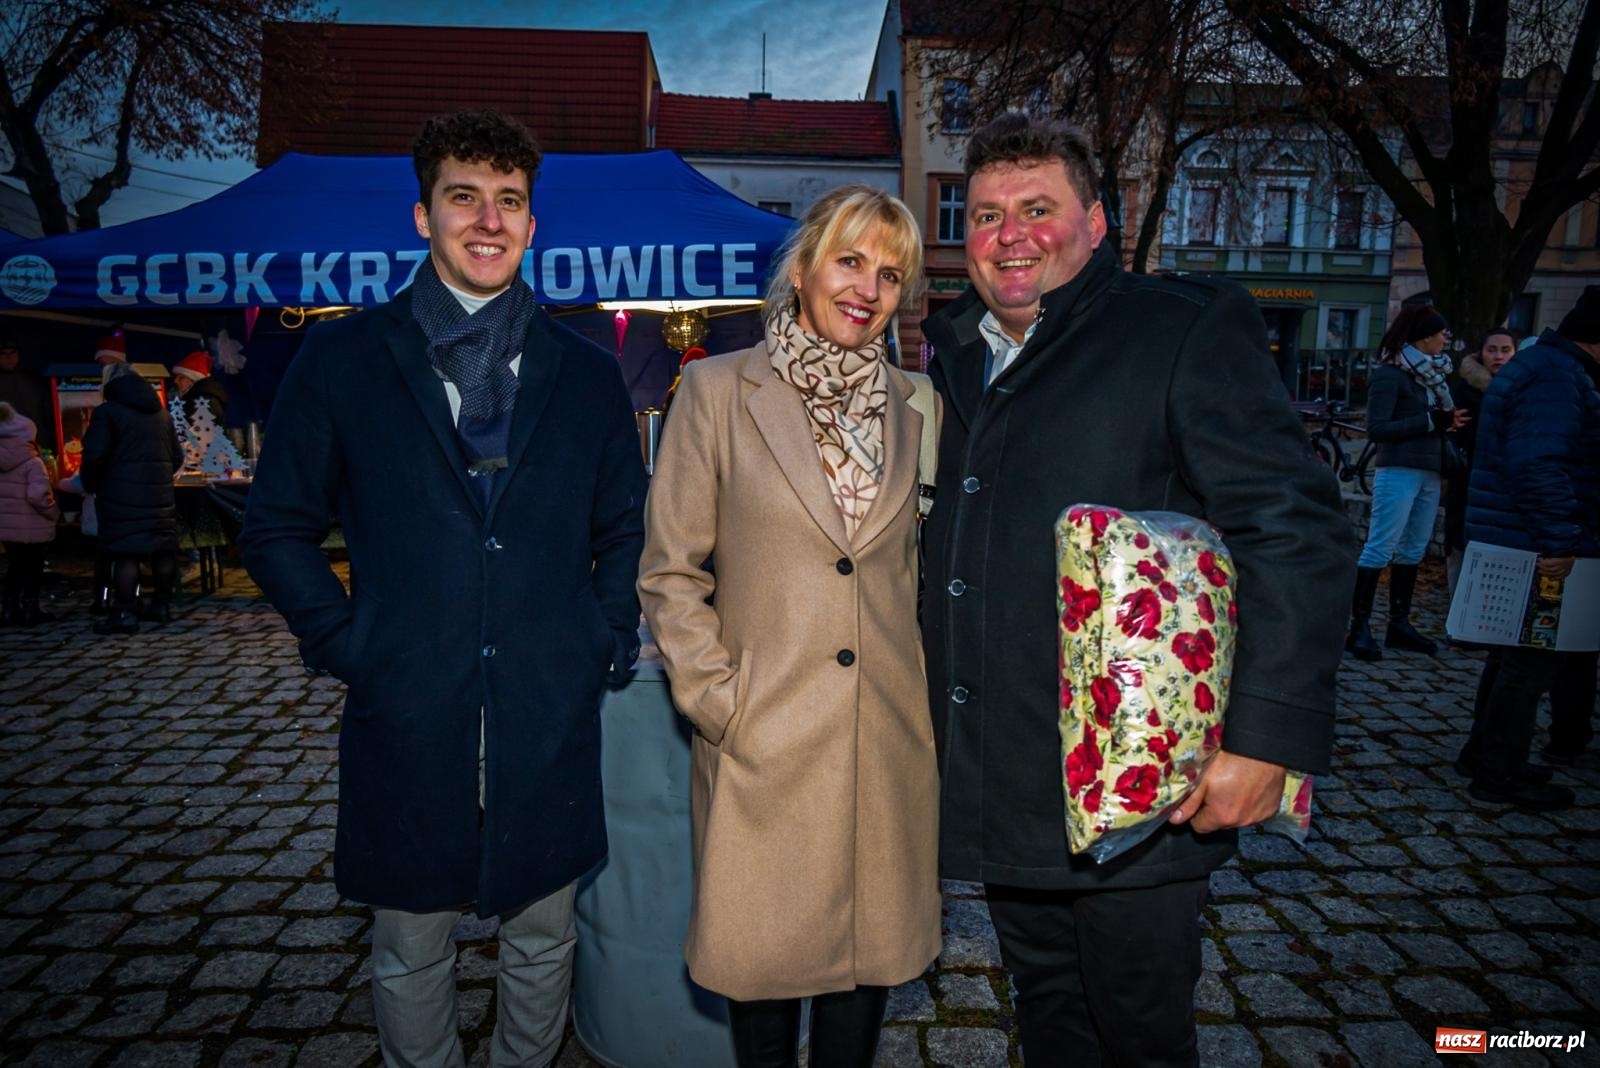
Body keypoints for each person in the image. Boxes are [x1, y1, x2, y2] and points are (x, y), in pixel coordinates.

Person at [918, 113, 1354, 1067]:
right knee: (1050, 1014)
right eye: (986, 214)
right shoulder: (956, 352)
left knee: (1140, 1031)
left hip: (1142, 789)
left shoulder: (1180, 329)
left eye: (1039, 208)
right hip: (1010, 770)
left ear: (1097, 222)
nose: (1010, 234)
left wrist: (1264, 741)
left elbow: (1294, 527)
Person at [240, 109, 646, 1068]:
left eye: (510, 201)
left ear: (533, 224)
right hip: (410, 701)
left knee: (545, 934)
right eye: (464, 197)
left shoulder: (585, 376)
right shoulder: (344, 360)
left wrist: (605, 632)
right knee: (410, 943)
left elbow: (625, 526)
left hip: (545, 702)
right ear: (424, 216)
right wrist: (349, 642)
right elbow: (276, 526)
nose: (489, 219)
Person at [638, 185, 940, 1068]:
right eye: (850, 261)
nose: (868, 288)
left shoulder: (919, 405)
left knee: (861, 990)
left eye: (891, 273)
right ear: (803, 268)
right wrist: (718, 701)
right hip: (763, 742)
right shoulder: (718, 389)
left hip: (882, 745)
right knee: (761, 991)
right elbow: (669, 568)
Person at [1456, 287, 1600, 810]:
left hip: (1519, 535)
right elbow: (1539, 464)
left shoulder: (1545, 367)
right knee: (1529, 662)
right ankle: (1497, 772)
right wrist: (1560, 539)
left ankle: (1486, 757)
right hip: (1534, 542)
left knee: (1514, 656)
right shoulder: (1556, 377)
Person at [1344, 304, 1469, 660]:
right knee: (1380, 546)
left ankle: (1399, 624)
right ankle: (1360, 628)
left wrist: (1445, 422)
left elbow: (1432, 421)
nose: (1446, 338)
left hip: (1430, 469)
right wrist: (1432, 421)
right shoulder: (1390, 374)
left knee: (1413, 548)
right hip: (1398, 469)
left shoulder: (1434, 374)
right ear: (1425, 336)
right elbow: (1377, 429)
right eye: (1442, 333)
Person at [78, 363, 182, 633]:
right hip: (159, 493)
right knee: (162, 548)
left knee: (125, 552)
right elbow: (177, 456)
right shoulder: (161, 415)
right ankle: (161, 606)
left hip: (120, 494)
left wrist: (91, 483)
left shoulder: (107, 413)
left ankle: (124, 612)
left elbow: (94, 455)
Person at [1443, 328, 1518, 595]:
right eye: (1492, 349)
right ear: (1481, 353)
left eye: (1505, 350)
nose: (1498, 356)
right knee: (1460, 543)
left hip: (1505, 483)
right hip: (1467, 478)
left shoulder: (1520, 389)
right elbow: (1458, 434)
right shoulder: (1464, 390)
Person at [0, 401, 59, 626]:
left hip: (6, 525)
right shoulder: (32, 461)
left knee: (15, 566)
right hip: (33, 524)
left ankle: (9, 608)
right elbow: (38, 495)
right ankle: (30, 609)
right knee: (33, 567)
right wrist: (53, 512)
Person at [0, 335, 53, 450]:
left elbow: (48, 414)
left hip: (38, 445)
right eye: (3, 353)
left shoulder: (34, 381)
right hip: (6, 448)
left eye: (12, 352)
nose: (8, 357)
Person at [171, 349, 230, 429]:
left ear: (193, 379)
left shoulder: (204, 401)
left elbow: (200, 438)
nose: (175, 381)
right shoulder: (200, 397)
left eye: (181, 377)